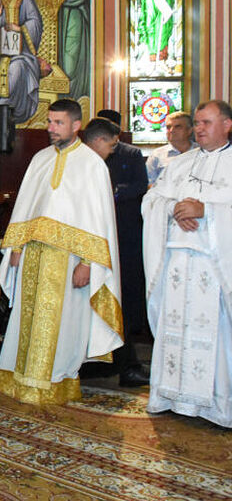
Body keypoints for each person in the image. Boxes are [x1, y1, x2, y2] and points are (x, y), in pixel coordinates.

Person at [0, 99, 124, 405]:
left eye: (58, 123)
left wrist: (88, 263)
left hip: (69, 262)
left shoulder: (92, 165)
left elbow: (98, 221)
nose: (51, 129)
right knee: (25, 320)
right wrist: (16, 247)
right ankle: (20, 379)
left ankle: (54, 383)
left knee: (65, 327)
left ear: (76, 125)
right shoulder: (40, 159)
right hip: (32, 256)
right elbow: (26, 207)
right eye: (49, 122)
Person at [142, 100, 232, 428]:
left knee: (216, 335)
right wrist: (173, 209)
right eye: (197, 122)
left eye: (207, 122)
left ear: (227, 125)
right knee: (174, 328)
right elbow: (151, 200)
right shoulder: (181, 164)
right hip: (176, 265)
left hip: (216, 267)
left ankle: (217, 407)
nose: (199, 129)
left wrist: (206, 211)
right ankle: (170, 396)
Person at [92, 110, 151, 387]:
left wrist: (112, 193)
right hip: (96, 235)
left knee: (125, 298)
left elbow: (140, 186)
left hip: (125, 235)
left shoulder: (131, 154)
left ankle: (128, 363)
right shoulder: (86, 156)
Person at [145, 111, 195, 186]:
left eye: (178, 127)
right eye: (168, 127)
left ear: (189, 130)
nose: (171, 130)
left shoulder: (202, 152)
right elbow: (150, 183)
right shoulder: (157, 155)